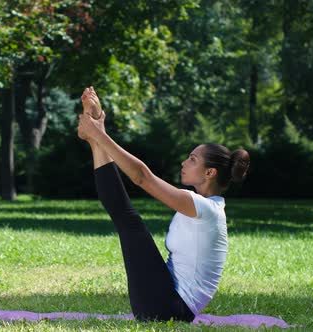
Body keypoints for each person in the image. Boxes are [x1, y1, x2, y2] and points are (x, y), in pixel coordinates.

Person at [77, 86, 250, 322]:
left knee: (131, 223)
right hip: (164, 301)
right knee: (127, 220)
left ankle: (96, 133)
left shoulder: (206, 210)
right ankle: (95, 132)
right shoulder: (201, 205)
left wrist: (99, 135)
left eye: (192, 159)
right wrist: (98, 133)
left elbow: (142, 177)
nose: (184, 162)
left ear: (210, 172)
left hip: (169, 309)